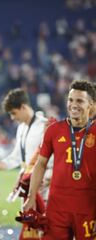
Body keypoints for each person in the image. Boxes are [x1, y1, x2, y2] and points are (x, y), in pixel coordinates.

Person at [24, 80, 96, 240]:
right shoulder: (54, 130)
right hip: (57, 208)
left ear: (91, 105)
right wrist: (31, 197)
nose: (73, 105)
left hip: (88, 207)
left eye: (79, 101)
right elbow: (40, 164)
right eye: (70, 100)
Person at [0, 88, 50, 239]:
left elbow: (51, 159)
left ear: (23, 107)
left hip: (44, 186)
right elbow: (16, 158)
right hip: (26, 185)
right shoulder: (22, 128)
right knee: (31, 228)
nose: (12, 118)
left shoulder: (46, 126)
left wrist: (48, 178)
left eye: (13, 113)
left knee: (46, 228)